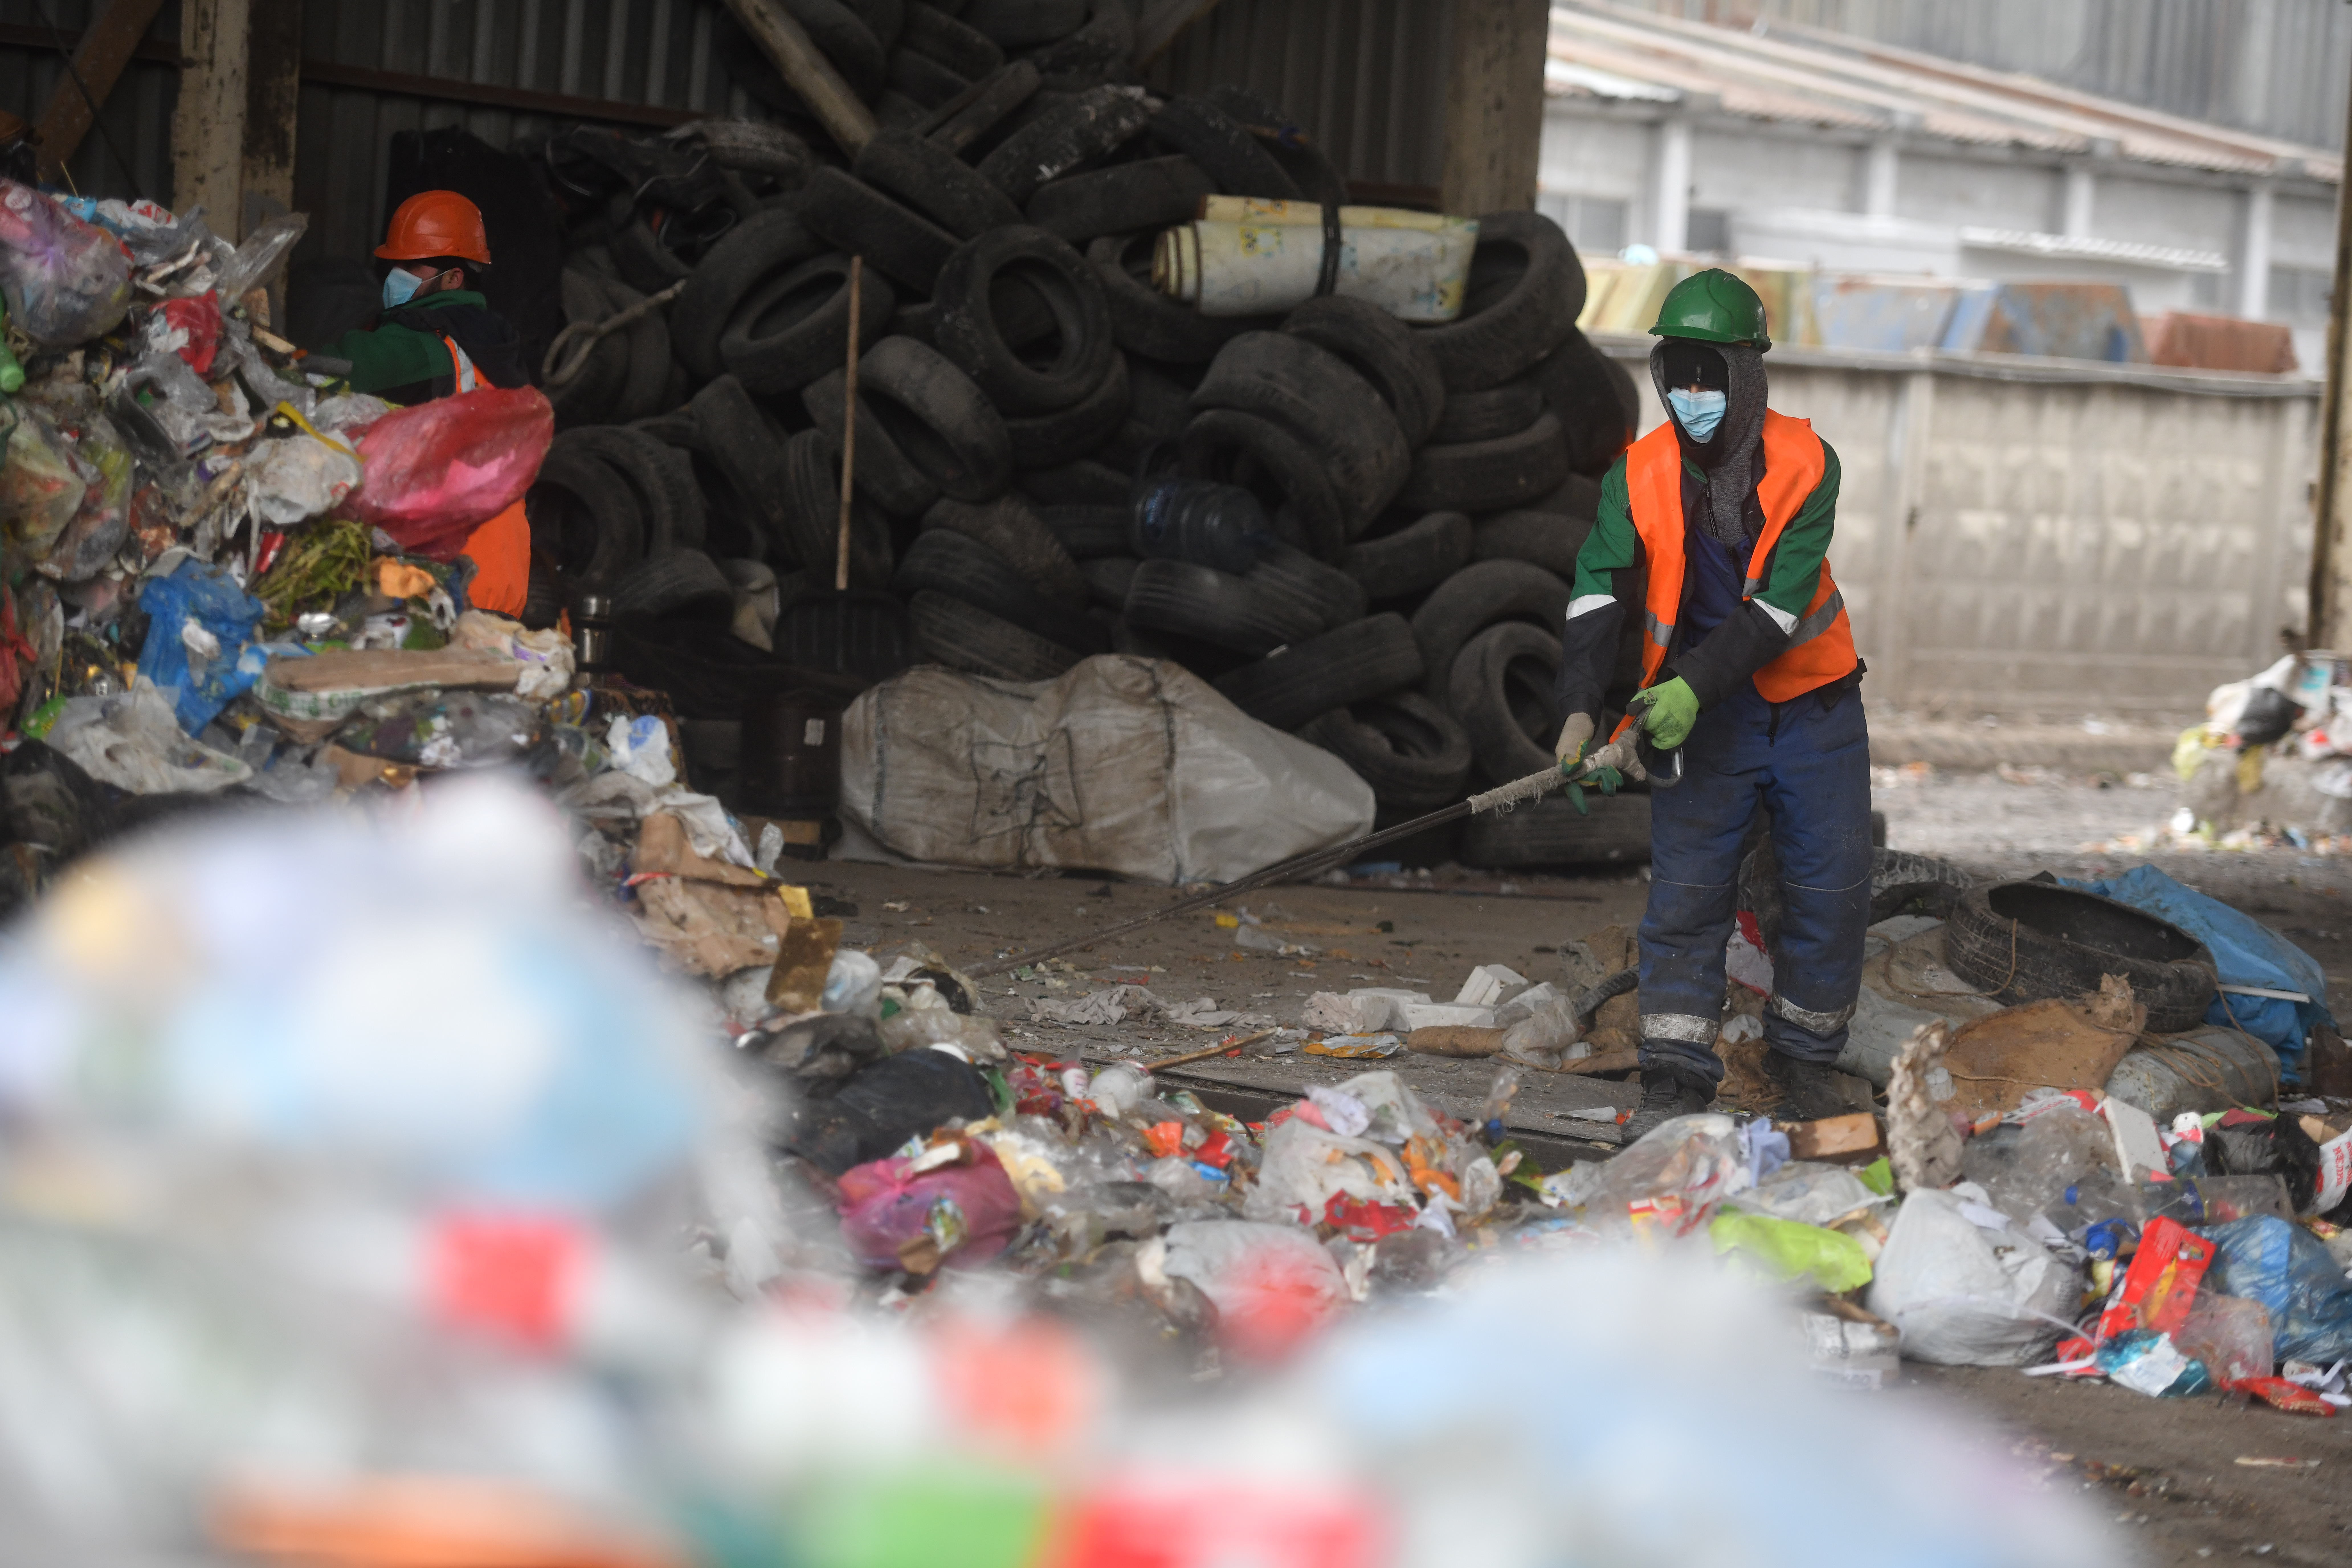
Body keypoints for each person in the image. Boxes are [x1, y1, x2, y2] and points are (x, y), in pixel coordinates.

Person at [1551, 269, 1869, 1141]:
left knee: (1827, 889)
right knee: (1687, 898)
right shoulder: (1639, 474)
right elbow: (1597, 593)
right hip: (1708, 721)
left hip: (1813, 709)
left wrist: (1689, 688)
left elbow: (1776, 607)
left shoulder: (1810, 465)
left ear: (1748, 374)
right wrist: (1582, 711)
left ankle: (1805, 1062)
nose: (1691, 394)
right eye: (1676, 374)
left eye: (1709, 375)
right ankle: (1675, 1078)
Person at [322, 190, 532, 615]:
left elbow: (340, 368)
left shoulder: (422, 343)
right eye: (394, 265)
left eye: (409, 266)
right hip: (503, 573)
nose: (395, 276)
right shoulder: (496, 347)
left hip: (448, 580)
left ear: (453, 278)